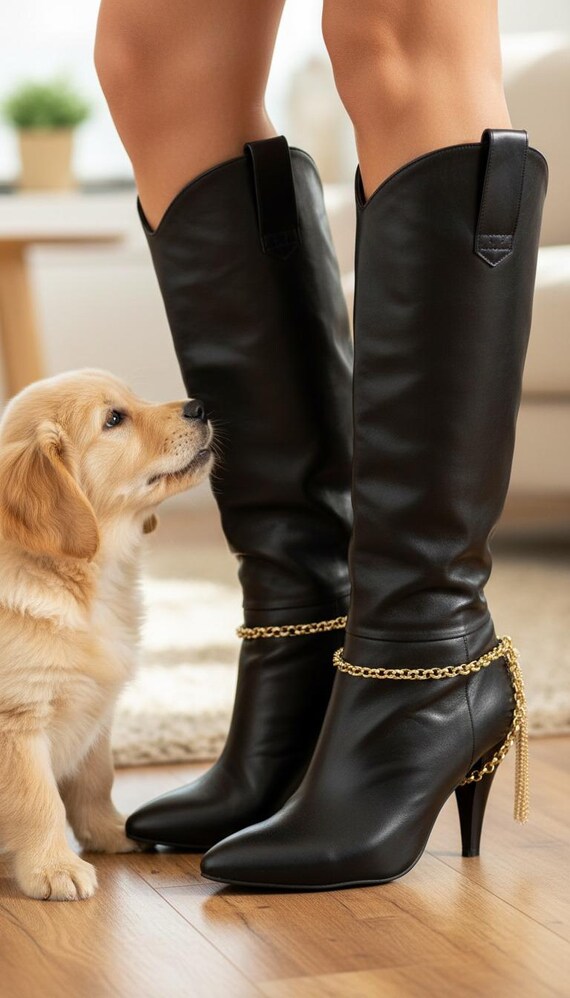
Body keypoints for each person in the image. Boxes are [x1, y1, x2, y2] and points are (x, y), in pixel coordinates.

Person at [94, 0, 547, 890]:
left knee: (394, 35)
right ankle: (305, 627)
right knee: (153, 62)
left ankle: (425, 649)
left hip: (425, 650)